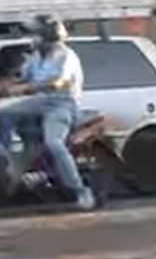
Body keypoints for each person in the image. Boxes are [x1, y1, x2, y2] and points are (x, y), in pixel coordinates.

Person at [0, 17, 95, 210]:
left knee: (54, 143)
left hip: (62, 104)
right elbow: (21, 77)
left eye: (35, 34)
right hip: (39, 101)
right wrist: (10, 84)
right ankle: (8, 162)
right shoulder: (37, 56)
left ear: (47, 37)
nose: (32, 39)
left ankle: (81, 191)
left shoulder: (66, 56)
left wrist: (26, 88)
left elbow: (58, 82)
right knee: (3, 112)